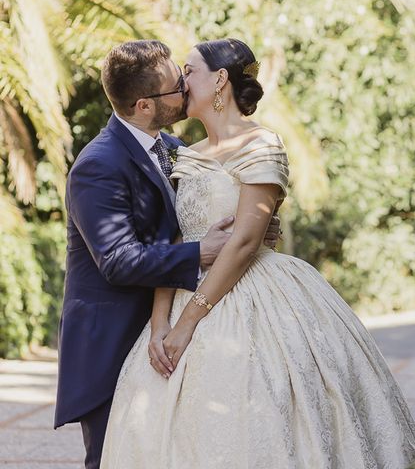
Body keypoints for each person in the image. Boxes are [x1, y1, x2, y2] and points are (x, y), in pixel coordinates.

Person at [100, 38, 415, 468]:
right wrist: (161, 323)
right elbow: (175, 242)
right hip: (180, 294)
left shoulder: (261, 145)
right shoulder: (183, 156)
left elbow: (246, 243)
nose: (181, 80)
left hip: (253, 293)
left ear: (220, 81)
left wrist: (188, 323)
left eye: (189, 70)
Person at [54, 40, 281, 469]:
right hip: (115, 339)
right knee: (114, 458)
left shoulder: (176, 150)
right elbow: (118, 260)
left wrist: (256, 221)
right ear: (144, 105)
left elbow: (198, 215)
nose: (184, 87)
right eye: (177, 84)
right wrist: (200, 252)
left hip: (177, 328)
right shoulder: (97, 165)